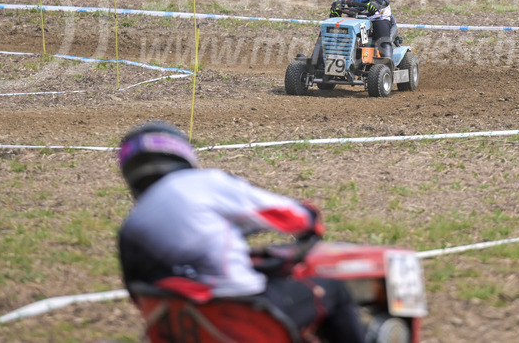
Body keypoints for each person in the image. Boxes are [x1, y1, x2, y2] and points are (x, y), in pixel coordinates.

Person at [116, 121, 366, 343]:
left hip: (175, 325)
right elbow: (290, 216)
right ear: (182, 154)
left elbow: (138, 292)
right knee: (334, 290)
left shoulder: (132, 225)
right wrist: (309, 216)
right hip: (242, 311)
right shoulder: (205, 183)